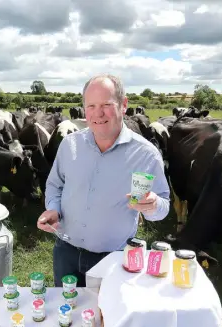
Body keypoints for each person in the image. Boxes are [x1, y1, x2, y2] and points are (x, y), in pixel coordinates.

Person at [37, 74, 171, 287]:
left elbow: (164, 206)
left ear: (123, 104)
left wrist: (153, 205)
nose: (98, 114)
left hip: (113, 259)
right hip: (65, 252)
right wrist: (54, 209)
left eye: (107, 105)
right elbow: (55, 185)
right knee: (66, 315)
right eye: (91, 106)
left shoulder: (146, 154)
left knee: (106, 317)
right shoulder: (69, 145)